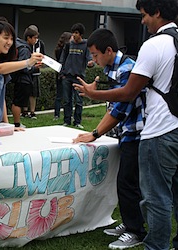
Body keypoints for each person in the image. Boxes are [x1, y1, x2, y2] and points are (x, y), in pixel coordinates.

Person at [74, 0, 178, 249]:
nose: (142, 21)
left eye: (144, 15)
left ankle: (155, 244)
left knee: (156, 197)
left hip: (159, 130)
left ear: (157, 12)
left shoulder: (155, 45)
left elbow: (128, 93)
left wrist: (93, 95)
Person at [73, 28, 146, 249]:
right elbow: (114, 108)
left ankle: (136, 231)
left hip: (138, 132)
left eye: (95, 55)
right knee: (126, 181)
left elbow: (118, 111)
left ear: (109, 50)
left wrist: (94, 134)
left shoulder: (126, 69)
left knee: (128, 182)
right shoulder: (114, 68)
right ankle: (131, 223)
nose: (93, 60)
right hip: (129, 132)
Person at [59, 22, 94, 128]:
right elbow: (62, 59)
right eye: (73, 32)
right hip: (67, 76)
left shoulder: (86, 45)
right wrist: (62, 73)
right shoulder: (69, 44)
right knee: (67, 100)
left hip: (79, 77)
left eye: (76, 33)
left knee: (78, 101)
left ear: (81, 34)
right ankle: (67, 121)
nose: (74, 35)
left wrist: (90, 63)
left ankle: (77, 122)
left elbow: (89, 59)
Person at [11, 26, 42, 127]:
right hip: (22, 80)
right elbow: (24, 67)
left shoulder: (23, 47)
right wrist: (35, 68)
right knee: (18, 102)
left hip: (22, 79)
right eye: (34, 38)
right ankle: (17, 123)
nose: (36, 40)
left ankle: (18, 122)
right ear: (29, 38)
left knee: (19, 102)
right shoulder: (24, 49)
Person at [21, 24, 46, 119]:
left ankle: (32, 112)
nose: (36, 39)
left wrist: (42, 62)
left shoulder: (40, 44)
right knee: (25, 91)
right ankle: (24, 111)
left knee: (34, 92)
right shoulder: (24, 45)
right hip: (26, 71)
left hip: (36, 71)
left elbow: (43, 56)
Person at [53, 31, 72, 121]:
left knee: (59, 95)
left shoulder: (58, 49)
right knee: (66, 96)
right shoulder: (66, 50)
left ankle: (56, 114)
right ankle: (67, 114)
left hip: (58, 72)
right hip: (64, 72)